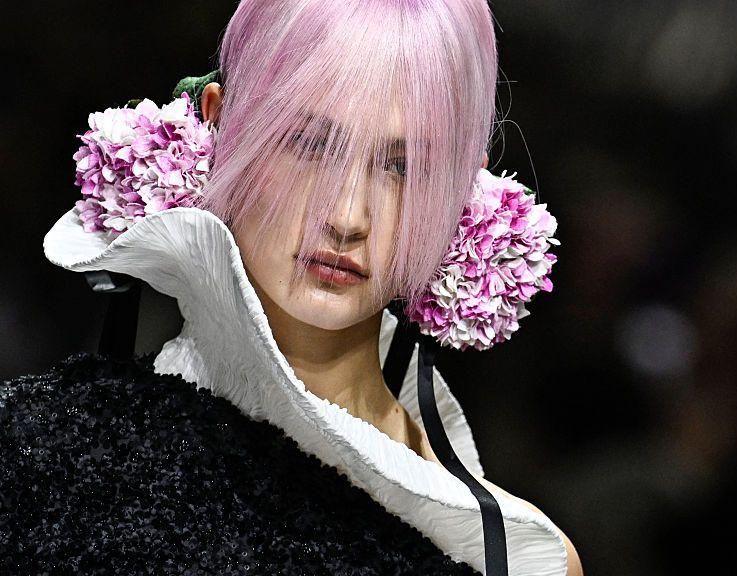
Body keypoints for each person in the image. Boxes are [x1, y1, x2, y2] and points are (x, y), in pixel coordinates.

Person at [0, 1, 582, 574]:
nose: (348, 217)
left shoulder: (515, 556)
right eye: (309, 144)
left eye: (402, 167)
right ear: (218, 122)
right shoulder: (37, 446)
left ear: (463, 192)